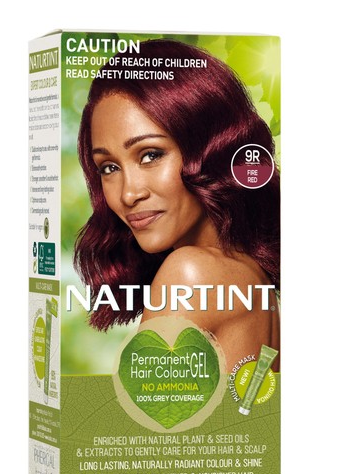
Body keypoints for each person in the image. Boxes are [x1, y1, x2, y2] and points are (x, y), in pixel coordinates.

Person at [74, 39, 280, 371]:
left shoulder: (190, 273)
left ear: (208, 149)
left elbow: (141, 407)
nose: (128, 194)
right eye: (109, 168)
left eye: (150, 155)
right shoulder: (250, 275)